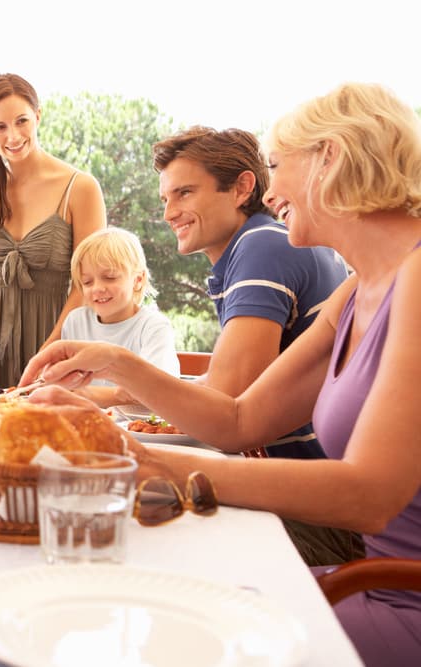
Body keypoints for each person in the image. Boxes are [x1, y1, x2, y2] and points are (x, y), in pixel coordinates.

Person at [22, 82, 421, 667]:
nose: (272, 187)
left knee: (169, 622)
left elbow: (369, 497)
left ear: (332, 158)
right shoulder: (360, 290)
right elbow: (239, 420)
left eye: (279, 166)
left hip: (395, 593)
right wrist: (109, 360)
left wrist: (149, 461)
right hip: (367, 573)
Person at [152, 125, 348, 459]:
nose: (169, 213)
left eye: (184, 193)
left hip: (309, 482)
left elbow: (225, 403)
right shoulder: (255, 247)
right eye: (165, 199)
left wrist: (114, 364)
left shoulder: (263, 245)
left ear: (242, 188)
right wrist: (114, 395)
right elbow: (223, 388)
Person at [0, 73, 107, 391]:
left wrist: (48, 353)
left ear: (38, 116)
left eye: (22, 121)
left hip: (57, 335)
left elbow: (86, 285)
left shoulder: (80, 188)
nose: (13, 136)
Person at [61, 227, 178, 406]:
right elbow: (64, 382)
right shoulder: (76, 321)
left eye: (110, 277)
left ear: (138, 280)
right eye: (87, 282)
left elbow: (156, 392)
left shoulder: (154, 327)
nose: (98, 288)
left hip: (139, 429)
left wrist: (79, 393)